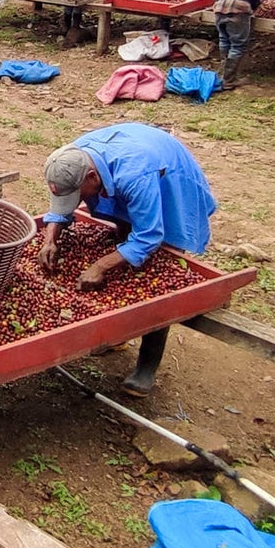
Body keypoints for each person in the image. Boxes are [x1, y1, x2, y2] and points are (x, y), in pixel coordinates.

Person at [38, 123, 217, 396]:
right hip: (131, 167)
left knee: (159, 271)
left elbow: (148, 236)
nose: (78, 200)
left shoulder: (133, 174)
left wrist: (100, 266)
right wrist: (50, 238)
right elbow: (62, 202)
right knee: (123, 237)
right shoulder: (67, 161)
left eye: (80, 194)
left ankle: (147, 367)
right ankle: (118, 336)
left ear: (92, 177)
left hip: (169, 176)